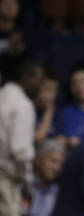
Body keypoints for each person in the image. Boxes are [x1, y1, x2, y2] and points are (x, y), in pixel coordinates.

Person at [0, 61, 42, 216]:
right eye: (38, 80)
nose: (40, 86)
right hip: (4, 180)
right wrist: (27, 185)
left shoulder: (2, 95)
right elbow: (21, 152)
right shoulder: (23, 105)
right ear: (25, 78)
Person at [28, 138, 65, 216]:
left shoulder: (57, 193)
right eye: (53, 161)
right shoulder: (22, 185)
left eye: (60, 164)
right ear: (38, 159)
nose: (57, 168)